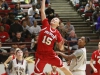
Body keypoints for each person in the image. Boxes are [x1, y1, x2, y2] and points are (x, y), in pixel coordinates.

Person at [33, 0, 73, 75]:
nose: (54, 20)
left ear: (58, 24)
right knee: (37, 73)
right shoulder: (45, 25)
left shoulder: (57, 34)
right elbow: (42, 11)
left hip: (50, 54)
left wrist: (61, 46)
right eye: (53, 19)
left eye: (56, 20)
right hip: (40, 55)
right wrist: (43, 1)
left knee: (63, 68)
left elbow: (61, 49)